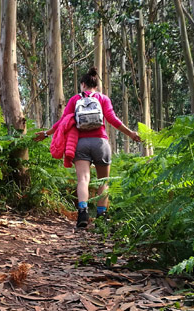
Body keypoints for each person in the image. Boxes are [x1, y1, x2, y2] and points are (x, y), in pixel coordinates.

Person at [34, 67, 141, 229]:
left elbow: (62, 123)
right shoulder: (103, 98)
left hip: (80, 144)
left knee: (83, 179)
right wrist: (131, 133)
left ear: (83, 85)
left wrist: (46, 133)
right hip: (100, 143)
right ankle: (101, 216)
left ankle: (82, 213)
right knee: (103, 181)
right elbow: (112, 119)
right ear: (96, 87)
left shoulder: (75, 99)